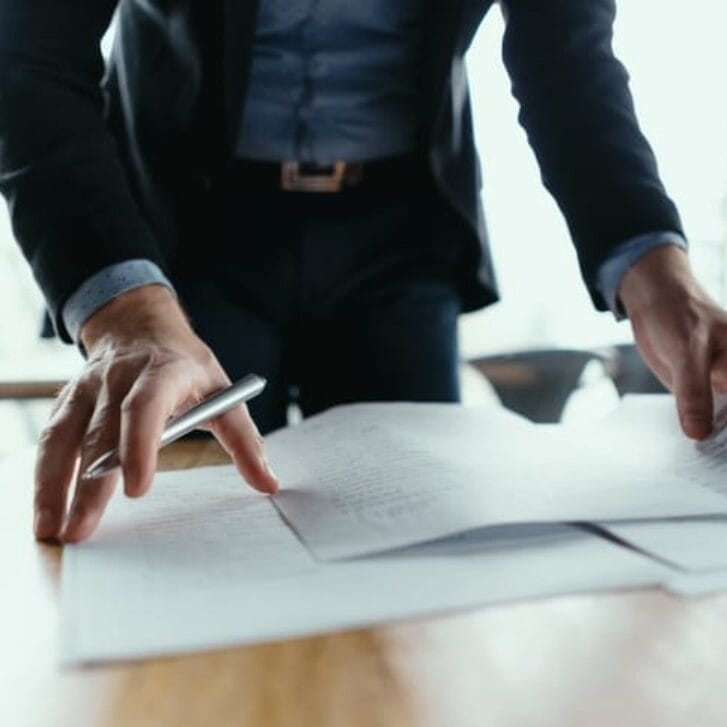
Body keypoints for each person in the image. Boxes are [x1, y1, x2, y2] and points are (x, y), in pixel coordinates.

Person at [1, 0, 725, 544]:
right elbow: (29, 57)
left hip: (399, 239)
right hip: (182, 239)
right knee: (176, 533)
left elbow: (567, 60)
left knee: (423, 549)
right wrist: (124, 312)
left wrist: (651, 262)